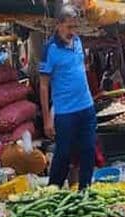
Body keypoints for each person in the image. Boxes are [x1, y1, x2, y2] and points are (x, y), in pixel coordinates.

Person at [39, 5, 96, 190]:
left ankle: (84, 190)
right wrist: (47, 119)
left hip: (86, 107)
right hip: (65, 112)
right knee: (63, 154)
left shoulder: (78, 42)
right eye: (69, 27)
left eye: (75, 27)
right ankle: (53, 190)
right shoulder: (49, 49)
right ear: (58, 25)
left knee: (88, 150)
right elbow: (44, 85)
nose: (72, 32)